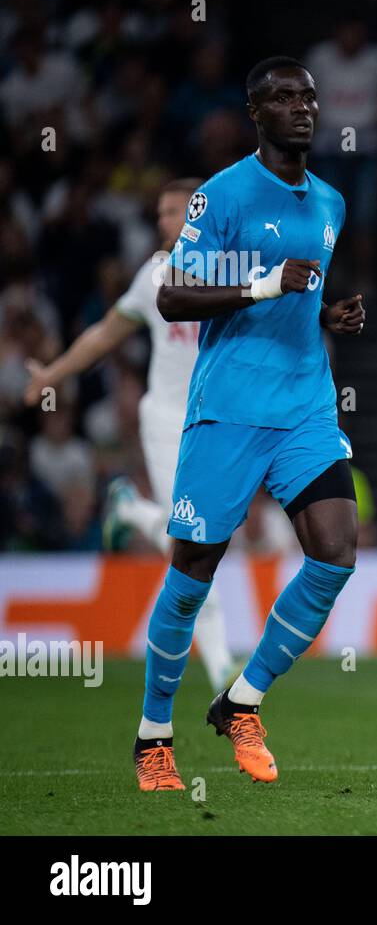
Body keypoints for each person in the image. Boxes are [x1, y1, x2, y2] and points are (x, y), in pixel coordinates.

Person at [132, 57, 366, 792]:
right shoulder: (222, 195)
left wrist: (327, 314)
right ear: (255, 113)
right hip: (228, 408)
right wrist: (267, 284)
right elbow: (173, 298)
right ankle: (153, 735)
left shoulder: (330, 201)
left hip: (304, 404)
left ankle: (243, 699)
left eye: (308, 96)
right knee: (193, 573)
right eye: (283, 98)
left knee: (335, 553)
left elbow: (300, 296)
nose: (302, 108)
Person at [23, 178, 236, 692]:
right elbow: (104, 334)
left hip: (218, 422)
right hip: (166, 419)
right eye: (160, 213)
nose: (163, 221)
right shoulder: (154, 276)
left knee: (208, 535)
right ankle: (223, 668)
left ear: (201, 213)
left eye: (173, 211)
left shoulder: (231, 271)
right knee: (191, 541)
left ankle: (129, 509)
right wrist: (52, 374)